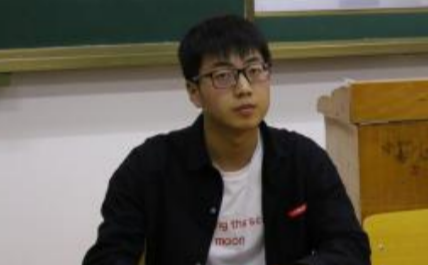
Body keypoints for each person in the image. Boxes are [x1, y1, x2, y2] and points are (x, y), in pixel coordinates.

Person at [84, 15, 370, 265]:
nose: (244, 88)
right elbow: (108, 256)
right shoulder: (148, 167)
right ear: (194, 91)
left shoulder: (303, 159)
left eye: (254, 70)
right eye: (223, 76)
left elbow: (351, 248)